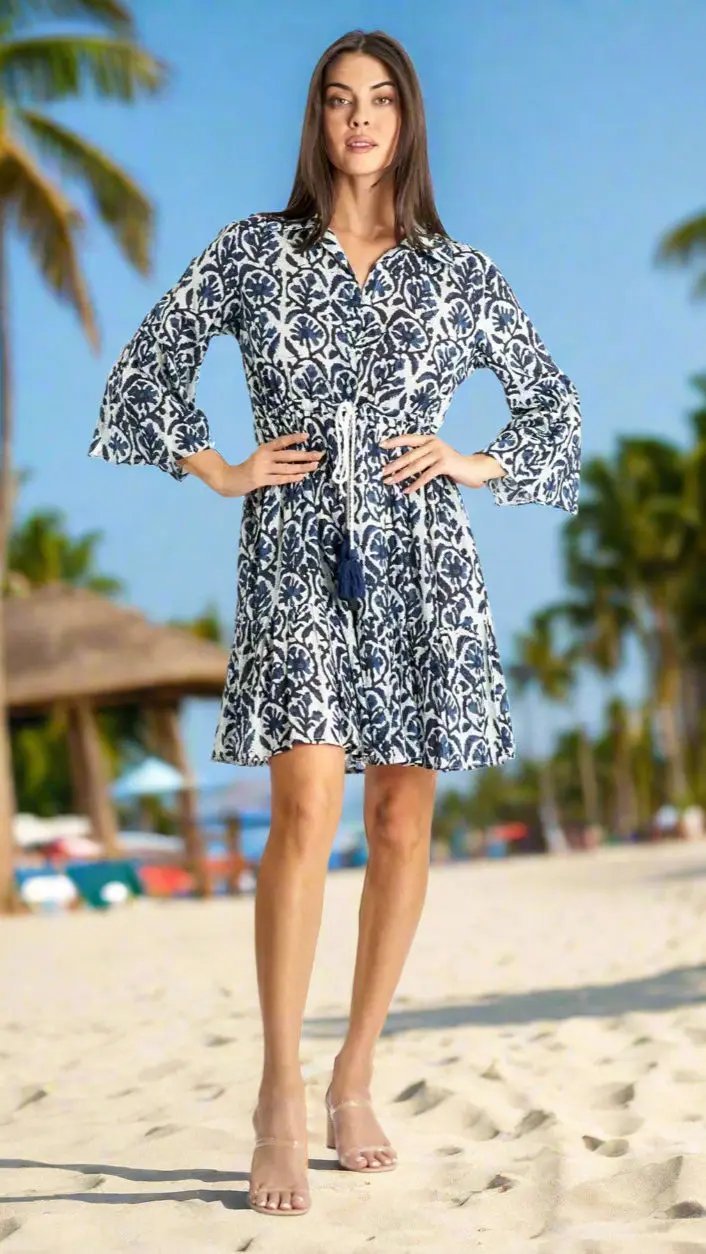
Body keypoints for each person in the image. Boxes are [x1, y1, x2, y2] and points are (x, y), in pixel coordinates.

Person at [87, 27, 581, 1218]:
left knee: (401, 817)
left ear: (407, 122)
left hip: (421, 560)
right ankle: (278, 1090)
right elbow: (143, 375)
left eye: (380, 100)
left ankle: (355, 1072)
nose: (359, 119)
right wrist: (219, 468)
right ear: (316, 121)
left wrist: (470, 461)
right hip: (296, 550)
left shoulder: (458, 274)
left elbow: (553, 410)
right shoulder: (253, 253)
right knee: (305, 806)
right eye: (339, 100)